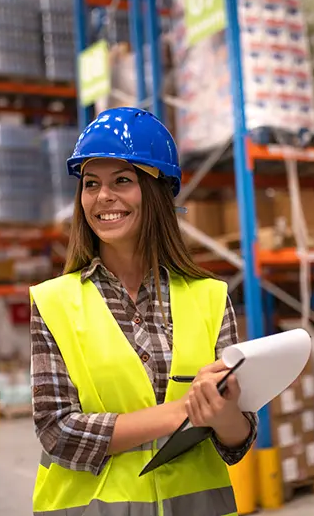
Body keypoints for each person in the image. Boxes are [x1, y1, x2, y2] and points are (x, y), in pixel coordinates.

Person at [30, 107, 257, 516]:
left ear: (156, 193)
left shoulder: (209, 297)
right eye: (91, 184)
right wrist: (182, 411)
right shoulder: (54, 302)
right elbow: (57, 431)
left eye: (122, 181)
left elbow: (237, 440)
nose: (103, 197)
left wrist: (222, 414)